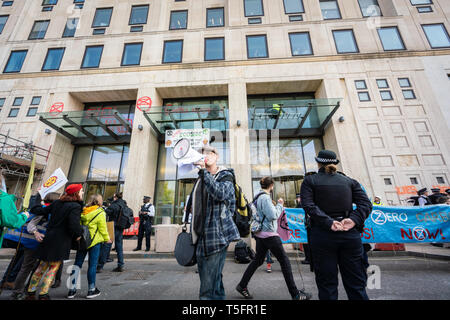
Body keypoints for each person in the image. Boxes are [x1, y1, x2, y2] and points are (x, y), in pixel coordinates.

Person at [300, 150, 372, 300]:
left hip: (322, 235)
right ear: (335, 163)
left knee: (327, 285)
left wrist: (328, 222)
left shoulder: (310, 181)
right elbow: (366, 204)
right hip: (349, 234)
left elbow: (308, 205)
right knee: (356, 285)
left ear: (318, 162)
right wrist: (353, 220)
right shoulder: (350, 181)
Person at [236, 177, 312, 300]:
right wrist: (280, 205)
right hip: (269, 234)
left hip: (261, 234)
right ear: (271, 185)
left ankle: (242, 285)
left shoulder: (257, 197)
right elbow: (273, 215)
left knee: (258, 261)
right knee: (285, 262)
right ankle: (295, 294)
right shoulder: (265, 198)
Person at [187, 145, 240, 300]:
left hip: (217, 236)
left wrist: (203, 171)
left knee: (207, 290)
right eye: (203, 153)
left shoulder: (225, 175)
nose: (206, 155)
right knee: (213, 281)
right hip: (201, 235)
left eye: (210, 153)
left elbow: (221, 193)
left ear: (217, 157)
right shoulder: (200, 178)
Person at [25, 184, 84, 300]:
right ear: (76, 193)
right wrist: (79, 234)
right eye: (81, 191)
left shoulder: (57, 203)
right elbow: (74, 225)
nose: (82, 193)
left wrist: (35, 200)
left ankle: (30, 291)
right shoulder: (75, 206)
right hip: (61, 241)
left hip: (49, 238)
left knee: (41, 266)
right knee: (53, 268)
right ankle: (43, 293)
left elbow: (41, 210)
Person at [10, 192, 60, 300]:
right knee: (27, 267)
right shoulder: (43, 210)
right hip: (32, 243)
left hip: (34, 243)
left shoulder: (45, 209)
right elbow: (31, 225)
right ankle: (17, 292)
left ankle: (26, 290)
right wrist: (36, 233)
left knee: (31, 267)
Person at [68, 194, 111, 299]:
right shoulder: (100, 212)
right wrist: (107, 239)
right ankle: (91, 290)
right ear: (99, 201)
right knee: (92, 265)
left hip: (82, 241)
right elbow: (102, 228)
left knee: (77, 264)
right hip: (95, 241)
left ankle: (71, 290)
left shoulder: (83, 211)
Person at [104, 192, 127, 272]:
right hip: (121, 226)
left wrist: (107, 208)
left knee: (107, 244)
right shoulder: (124, 204)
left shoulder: (114, 205)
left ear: (116, 197)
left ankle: (100, 265)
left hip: (112, 225)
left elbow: (107, 212)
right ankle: (121, 264)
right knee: (119, 246)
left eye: (113, 197)